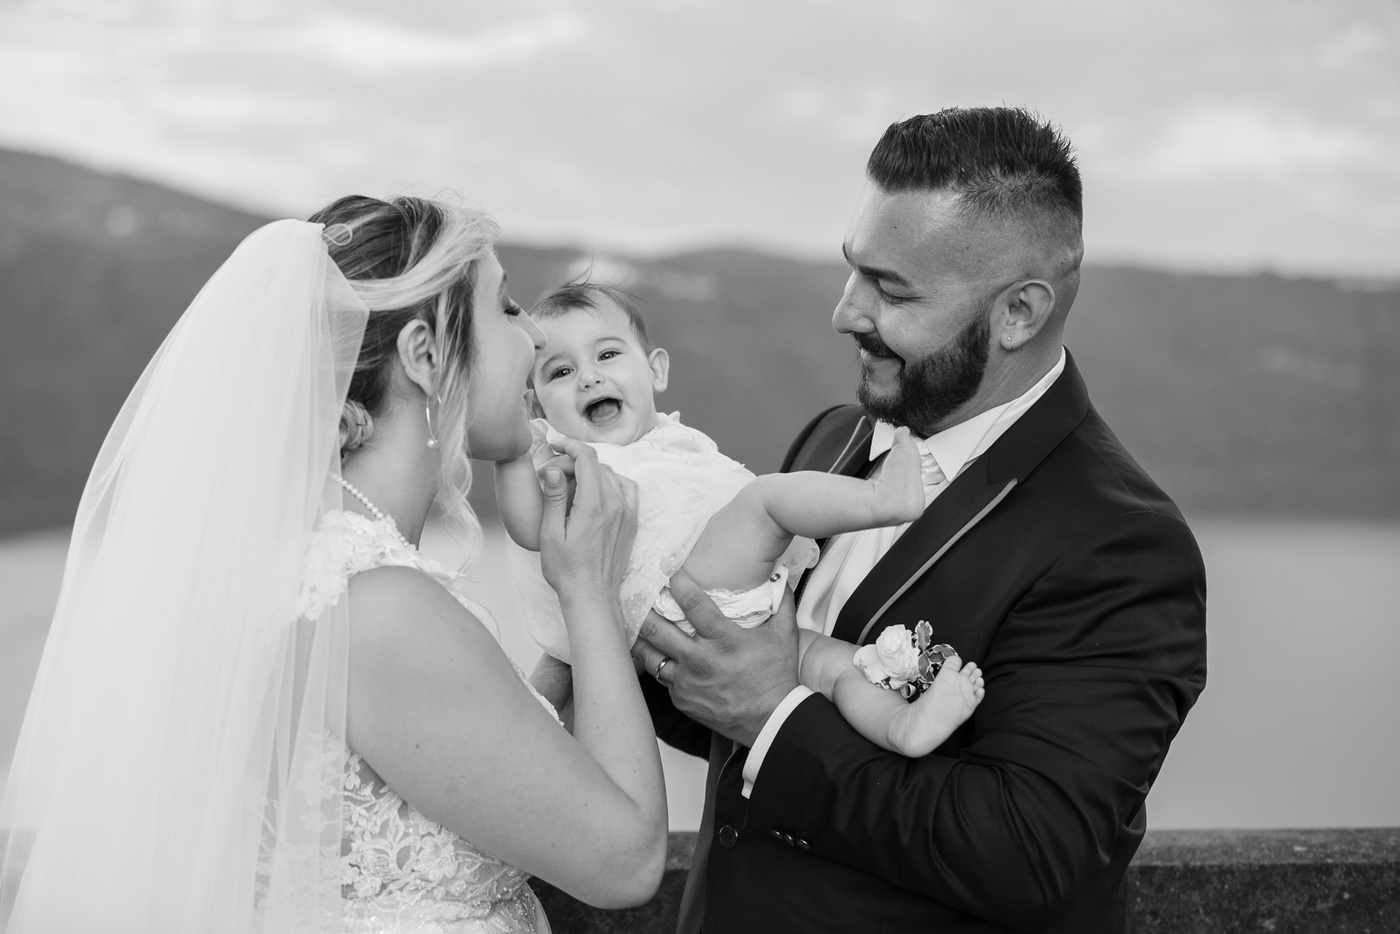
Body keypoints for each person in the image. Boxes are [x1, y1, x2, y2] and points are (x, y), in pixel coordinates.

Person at [0, 195, 668, 933]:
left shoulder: (305, 572)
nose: (535, 335)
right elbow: (627, 862)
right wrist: (589, 589)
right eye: (506, 309)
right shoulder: (378, 604)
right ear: (425, 355)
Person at [632, 107, 1209, 933]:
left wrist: (774, 714)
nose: (846, 313)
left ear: (1019, 312)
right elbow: (734, 716)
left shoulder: (1121, 545)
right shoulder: (833, 439)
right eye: (853, 270)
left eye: (891, 289)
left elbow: (1029, 853)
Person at [494, 283, 986, 758]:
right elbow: (528, 525)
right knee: (765, 500)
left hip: (730, 607)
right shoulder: (571, 462)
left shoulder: (670, 443)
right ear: (535, 406)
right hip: (684, 592)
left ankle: (901, 726)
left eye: (606, 355)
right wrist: (511, 452)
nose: (588, 378)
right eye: (560, 372)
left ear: (656, 370)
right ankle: (881, 500)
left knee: (832, 664)